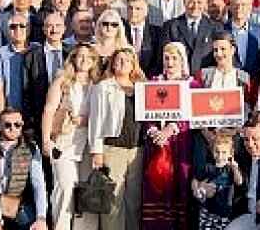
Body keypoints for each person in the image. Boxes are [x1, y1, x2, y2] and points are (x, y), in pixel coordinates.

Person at [142, 43, 200, 229]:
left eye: (174, 58)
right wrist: (154, 131)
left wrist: (171, 128)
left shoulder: (192, 85)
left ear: (182, 60)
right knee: (157, 188)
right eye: (166, 58)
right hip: (157, 144)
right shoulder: (154, 82)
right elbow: (145, 113)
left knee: (179, 187)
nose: (170, 62)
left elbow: (195, 115)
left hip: (181, 144)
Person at [88, 48, 147, 230]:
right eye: (119, 60)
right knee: (113, 199)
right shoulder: (103, 87)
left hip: (137, 150)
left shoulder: (142, 88)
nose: (123, 63)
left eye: (127, 60)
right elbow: (96, 119)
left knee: (134, 199)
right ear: (112, 63)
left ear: (133, 65)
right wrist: (97, 151)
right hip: (113, 148)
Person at [42, 45, 99, 230]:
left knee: (86, 193)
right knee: (65, 187)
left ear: (94, 61)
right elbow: (49, 110)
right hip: (64, 143)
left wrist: (87, 119)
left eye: (89, 57)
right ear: (73, 58)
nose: (84, 60)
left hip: (89, 144)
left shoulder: (98, 83)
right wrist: (46, 140)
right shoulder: (63, 81)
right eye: (80, 56)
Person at [0, 109, 49, 229]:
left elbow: (39, 185)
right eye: (7, 125)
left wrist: (41, 217)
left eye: (17, 125)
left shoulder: (30, 148)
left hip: (17, 205)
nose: (13, 128)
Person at [0, 13, 42, 130]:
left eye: (22, 26)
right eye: (13, 26)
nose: (17, 30)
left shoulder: (38, 49)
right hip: (12, 112)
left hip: (35, 112)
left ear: (29, 29)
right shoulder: (0, 53)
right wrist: (3, 117)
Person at [193, 131, 244, 230]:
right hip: (207, 211)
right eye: (217, 152)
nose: (220, 156)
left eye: (224, 152)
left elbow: (239, 182)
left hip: (225, 212)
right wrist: (198, 189)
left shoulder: (230, 168)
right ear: (212, 151)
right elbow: (196, 179)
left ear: (230, 153)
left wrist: (235, 168)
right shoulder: (208, 167)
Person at [164, 0, 217, 71]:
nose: (195, 6)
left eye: (199, 2)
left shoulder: (214, 27)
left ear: (205, 3)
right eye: (191, 2)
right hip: (180, 76)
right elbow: (163, 57)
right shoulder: (170, 26)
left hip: (205, 76)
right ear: (184, 3)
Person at [124, 0, 164, 76]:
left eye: (138, 9)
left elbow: (159, 60)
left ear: (146, 12)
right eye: (130, 8)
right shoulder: (120, 30)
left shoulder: (157, 33)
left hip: (149, 78)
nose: (133, 12)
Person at [224, 0, 260, 74]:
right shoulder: (222, 29)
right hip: (230, 77)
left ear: (250, 8)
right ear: (230, 7)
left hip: (254, 78)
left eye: (243, 5)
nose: (239, 8)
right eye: (236, 4)